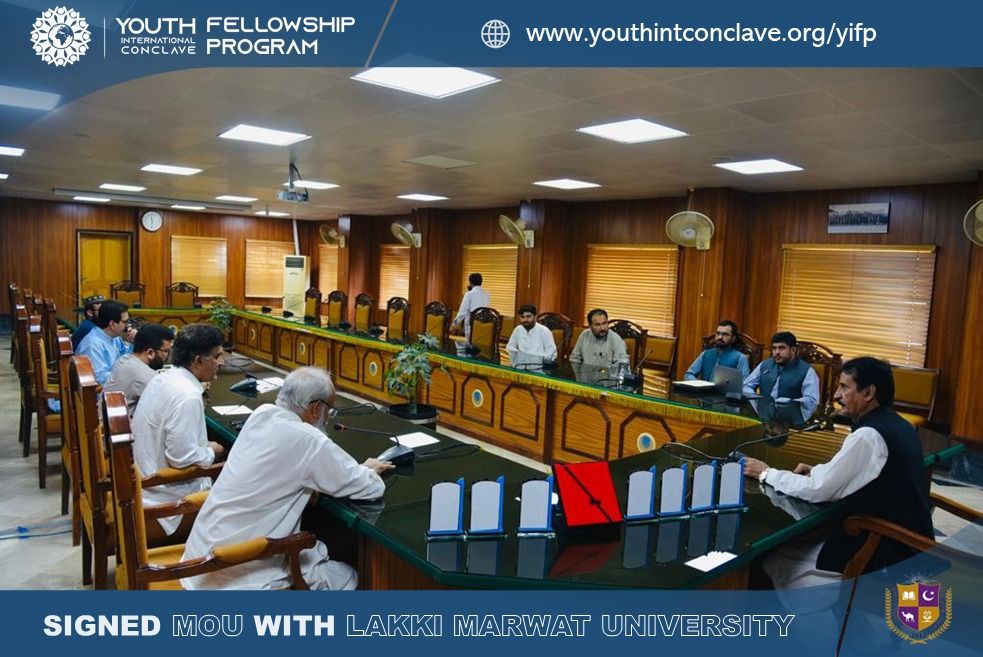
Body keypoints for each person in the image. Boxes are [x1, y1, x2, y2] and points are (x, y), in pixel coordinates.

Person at [181, 367, 394, 590]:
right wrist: (369, 469)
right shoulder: (307, 439)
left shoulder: (261, 413)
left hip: (199, 562)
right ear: (315, 409)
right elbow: (368, 488)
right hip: (236, 574)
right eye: (329, 412)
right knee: (350, 577)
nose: (327, 419)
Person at [742, 357, 933, 588]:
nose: (836, 396)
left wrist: (766, 473)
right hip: (907, 546)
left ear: (869, 392)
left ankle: (791, 623)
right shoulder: (898, 424)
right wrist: (818, 471)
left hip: (882, 552)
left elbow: (817, 490)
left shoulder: (868, 435)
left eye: (844, 387)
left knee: (768, 557)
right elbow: (865, 473)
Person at [132, 323, 226, 541]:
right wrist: (213, 450)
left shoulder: (163, 377)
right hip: (166, 506)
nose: (221, 363)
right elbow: (181, 459)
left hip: (143, 487)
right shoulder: (187, 396)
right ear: (199, 361)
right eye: (217, 356)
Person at [742, 331, 820, 422]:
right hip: (763, 421)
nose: (777, 352)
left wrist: (791, 402)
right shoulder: (765, 365)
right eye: (774, 348)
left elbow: (811, 401)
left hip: (790, 425)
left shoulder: (807, 371)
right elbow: (746, 386)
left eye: (782, 348)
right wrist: (756, 402)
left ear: (793, 350)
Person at [103, 323, 174, 414]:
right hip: (121, 426)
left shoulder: (125, 359)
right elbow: (169, 404)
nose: (168, 356)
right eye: (166, 351)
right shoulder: (147, 377)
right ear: (150, 353)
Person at [75, 300, 136, 385]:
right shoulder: (92, 345)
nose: (127, 326)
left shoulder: (114, 338)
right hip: (101, 394)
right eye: (125, 322)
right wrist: (128, 374)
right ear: (112, 324)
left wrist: (135, 342)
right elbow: (100, 378)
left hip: (115, 385)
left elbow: (127, 354)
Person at [683, 320, 750, 381]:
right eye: (718, 333)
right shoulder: (705, 354)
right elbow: (688, 374)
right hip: (704, 393)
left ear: (733, 338)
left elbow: (745, 384)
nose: (720, 337)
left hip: (726, 394)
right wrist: (698, 384)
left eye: (725, 334)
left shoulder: (741, 358)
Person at [451, 272, 491, 340]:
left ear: (470, 282)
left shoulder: (469, 294)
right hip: (484, 327)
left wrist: (454, 325)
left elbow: (462, 312)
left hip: (471, 326)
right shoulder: (487, 294)